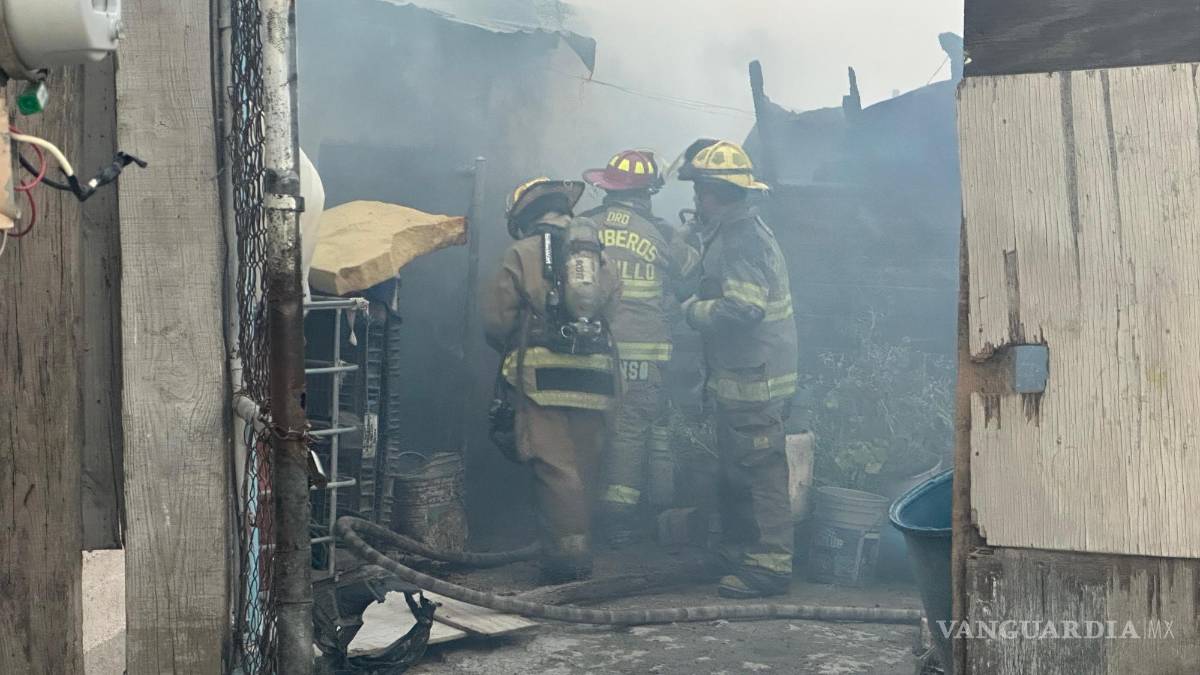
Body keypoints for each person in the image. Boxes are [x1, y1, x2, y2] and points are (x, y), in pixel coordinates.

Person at [481, 177, 622, 582]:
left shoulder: (521, 253)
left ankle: (568, 558)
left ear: (524, 217)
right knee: (585, 463)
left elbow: (497, 321)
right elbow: (612, 310)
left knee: (556, 468)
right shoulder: (600, 259)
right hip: (596, 379)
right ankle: (577, 541)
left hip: (541, 381)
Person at [676, 140, 799, 598]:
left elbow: (744, 308)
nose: (696, 198)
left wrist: (694, 311)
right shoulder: (732, 229)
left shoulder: (742, 237)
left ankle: (769, 566)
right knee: (739, 469)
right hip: (744, 376)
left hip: (755, 379)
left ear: (714, 192)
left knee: (761, 470)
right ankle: (740, 553)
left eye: (699, 190)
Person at [579, 149, 693, 545]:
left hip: (589, 348)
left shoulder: (583, 227)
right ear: (648, 193)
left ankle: (572, 512)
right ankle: (618, 524)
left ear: (607, 188)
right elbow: (691, 273)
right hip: (642, 356)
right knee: (629, 431)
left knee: (583, 426)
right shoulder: (661, 233)